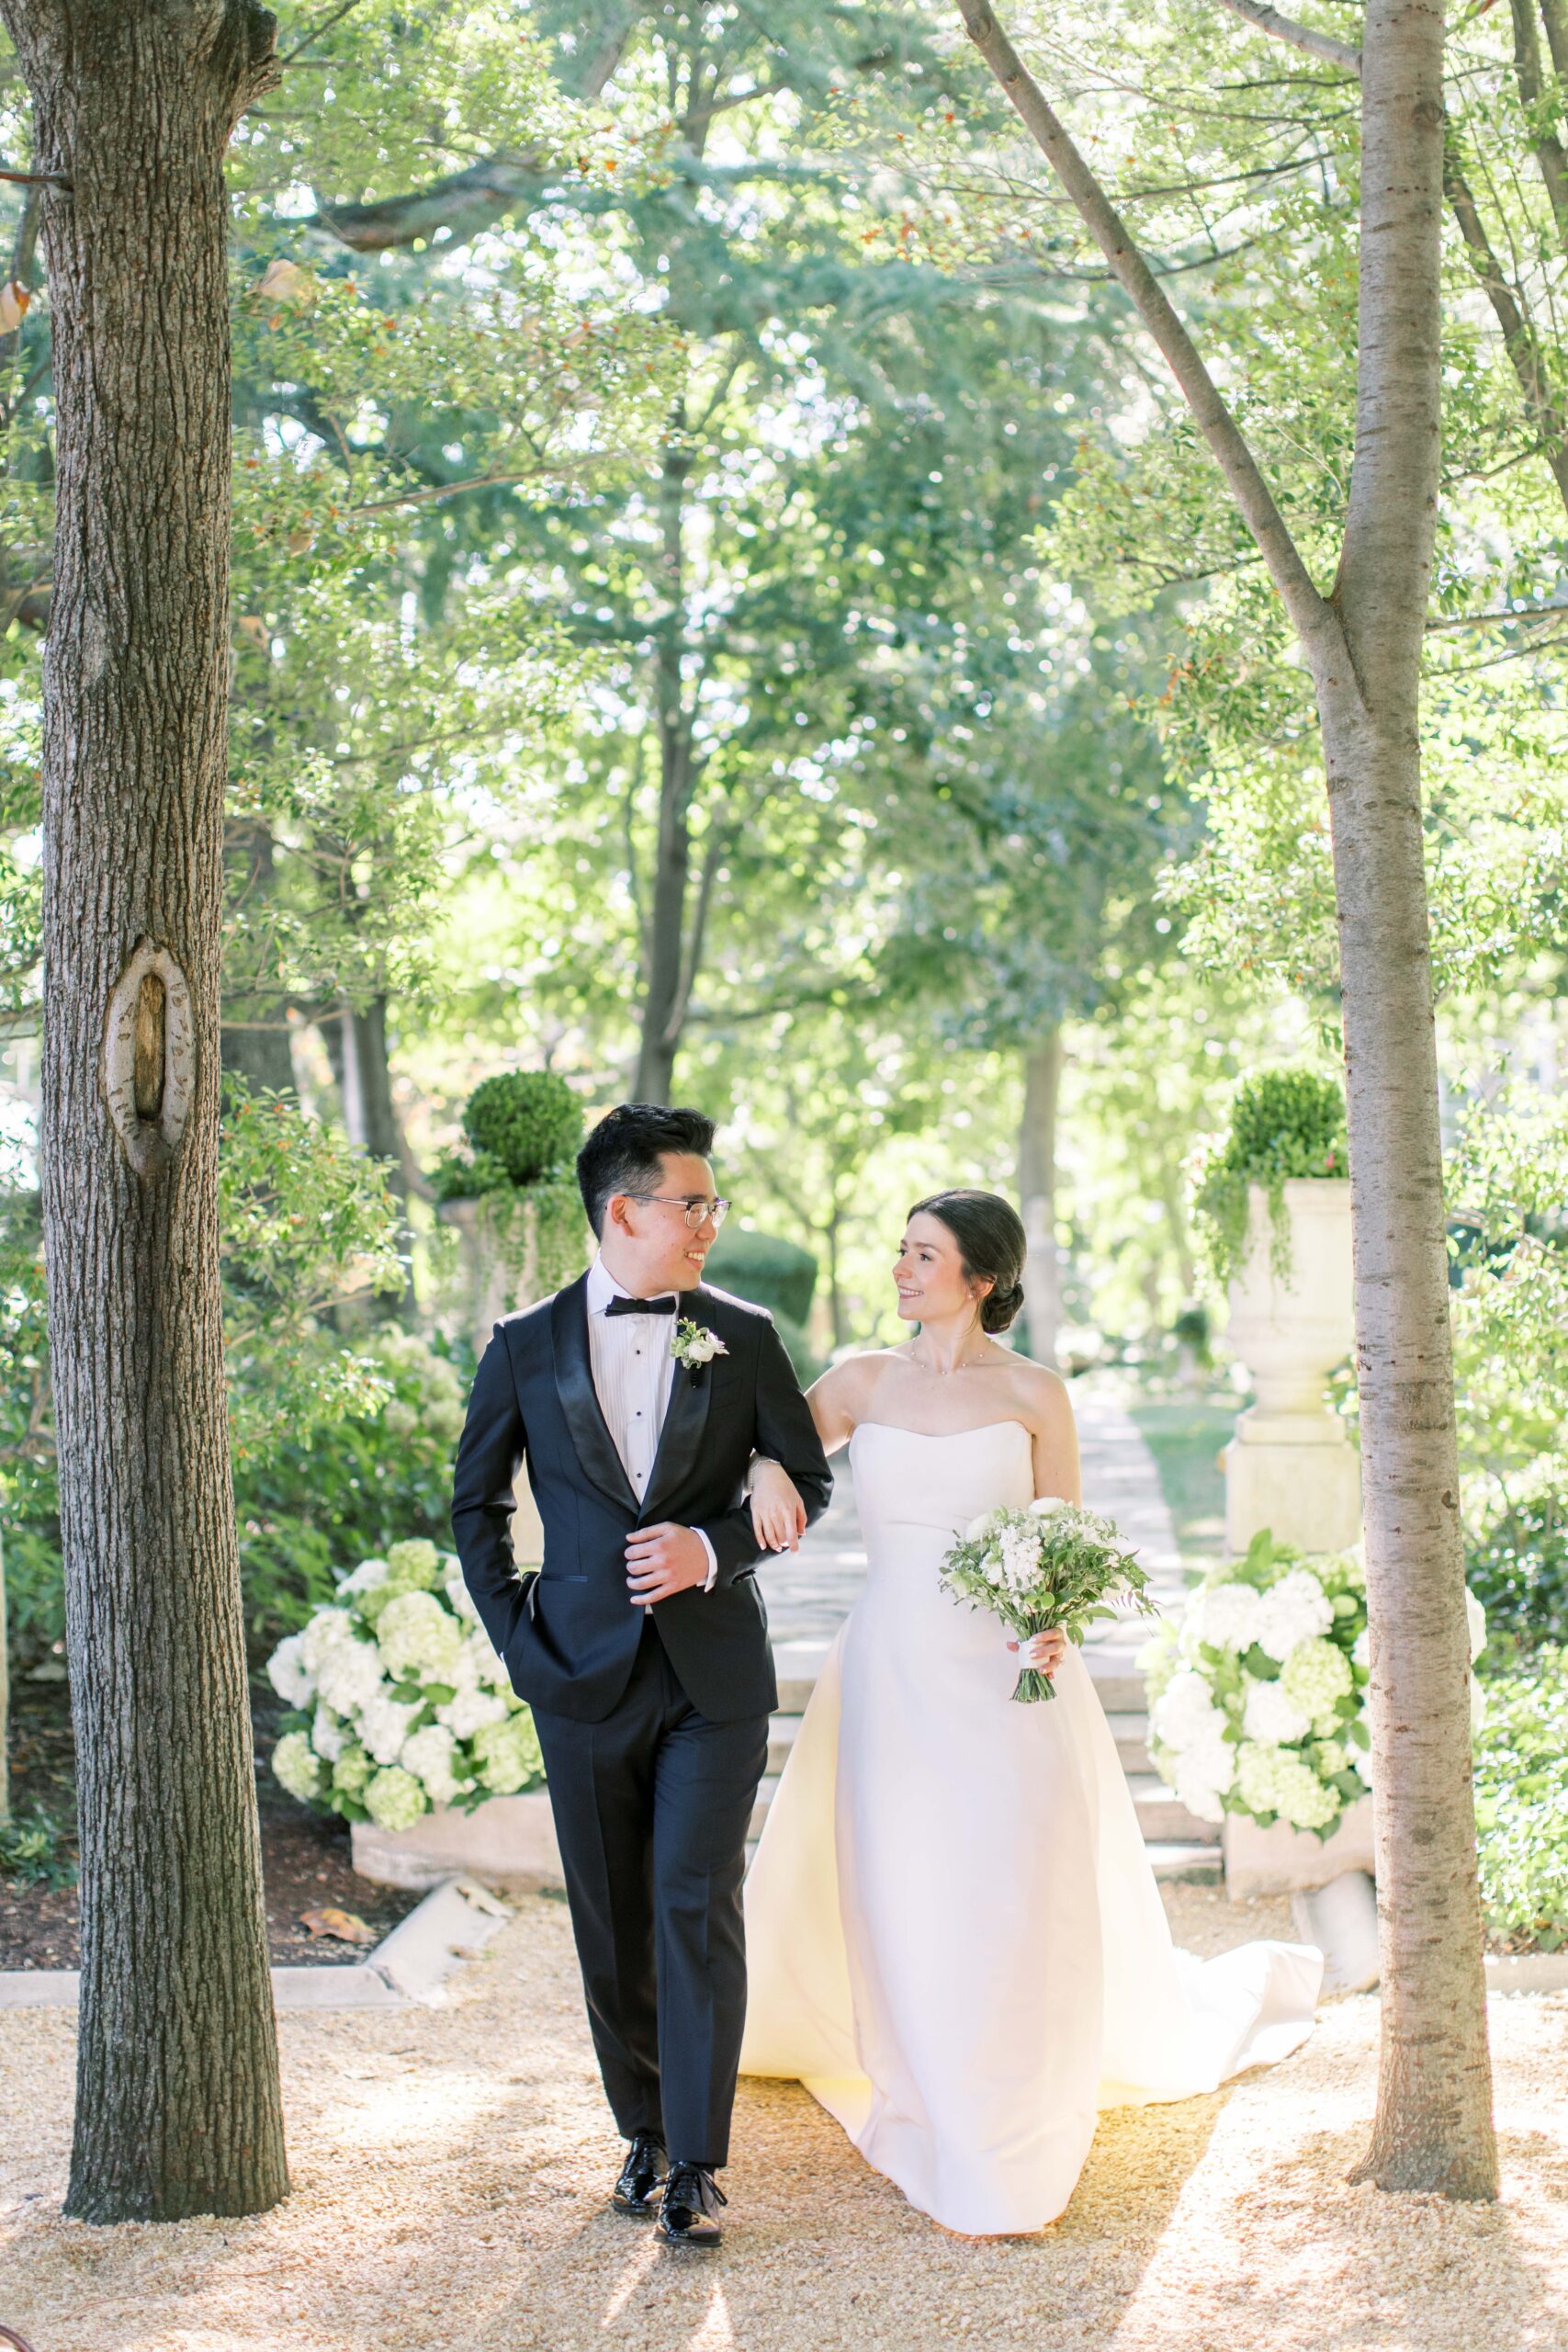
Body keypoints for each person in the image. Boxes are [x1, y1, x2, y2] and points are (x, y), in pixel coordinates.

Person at [739, 1188, 1322, 2237]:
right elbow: (755, 1436)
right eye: (902, 1250)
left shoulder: (1038, 1395)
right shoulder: (859, 1381)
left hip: (1009, 1677)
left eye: (925, 1254)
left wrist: (1055, 1627)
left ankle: (1008, 2099)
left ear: (982, 1277)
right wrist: (769, 1464)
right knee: (900, 1876)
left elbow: (1065, 1548)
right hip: (890, 1671)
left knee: (1010, 1882)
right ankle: (920, 2083)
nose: (903, 1269)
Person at [450, 1102, 832, 2249]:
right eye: (692, 1202)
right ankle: (645, 2130)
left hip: (714, 1680)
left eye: (714, 1202)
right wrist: (523, 1643)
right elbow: (476, 1505)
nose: (710, 1221)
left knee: (694, 1899)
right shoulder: (524, 1342)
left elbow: (808, 1480)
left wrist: (717, 1545)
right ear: (624, 1210)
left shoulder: (746, 1333)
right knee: (611, 1915)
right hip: (577, 1673)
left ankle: (700, 2164)